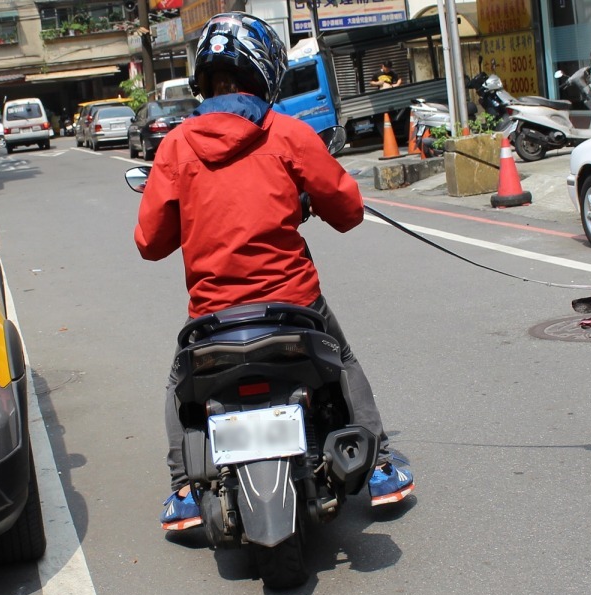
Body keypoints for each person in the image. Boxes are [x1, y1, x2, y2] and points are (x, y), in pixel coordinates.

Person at [134, 12, 415, 531]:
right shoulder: (287, 133)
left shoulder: (175, 146)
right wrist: (305, 198)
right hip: (294, 305)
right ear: (264, 71)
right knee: (343, 358)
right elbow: (350, 211)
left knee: (180, 384)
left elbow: (150, 243)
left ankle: (184, 492)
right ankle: (378, 466)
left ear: (205, 77)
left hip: (213, 318)